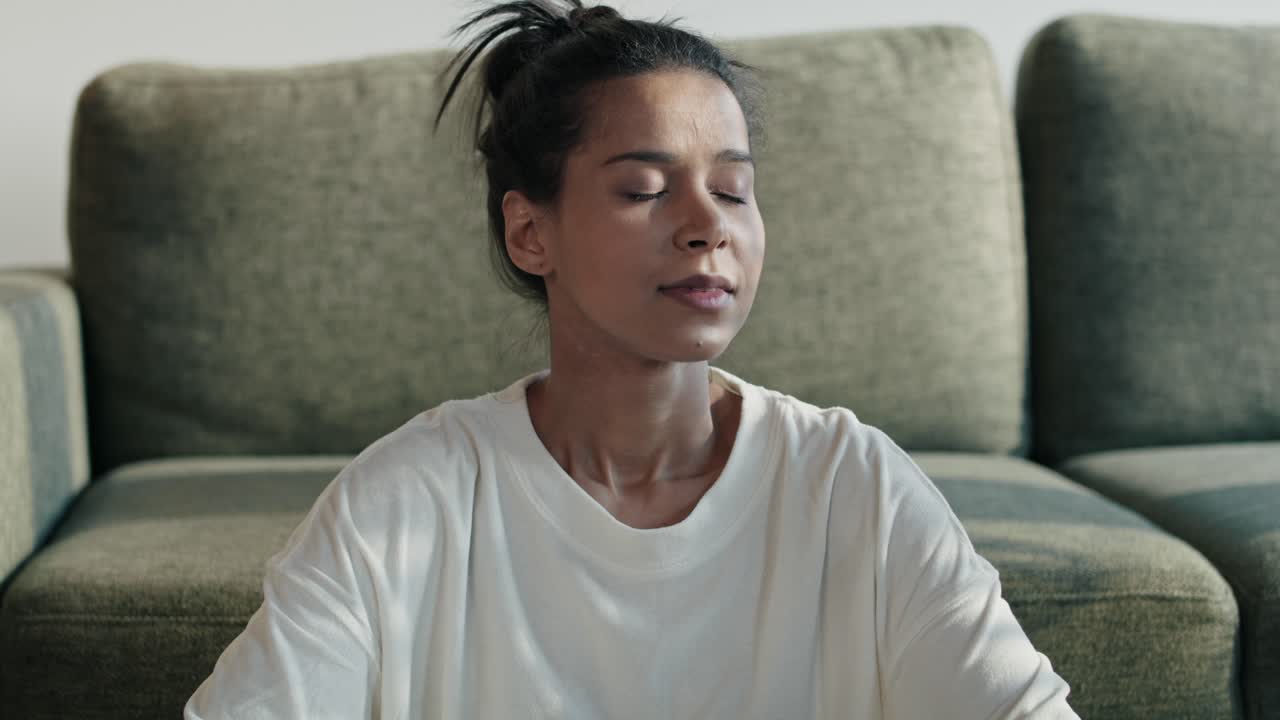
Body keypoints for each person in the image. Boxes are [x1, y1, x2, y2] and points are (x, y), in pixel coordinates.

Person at [185, 1, 1079, 717]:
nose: (708, 225)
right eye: (644, 189)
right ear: (531, 231)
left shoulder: (853, 486)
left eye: (733, 188)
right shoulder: (407, 504)